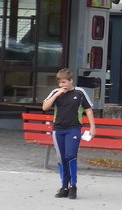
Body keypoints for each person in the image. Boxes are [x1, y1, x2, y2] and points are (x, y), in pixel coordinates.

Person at [41, 68, 97, 200]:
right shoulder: (56, 92)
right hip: (58, 129)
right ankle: (64, 186)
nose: (62, 85)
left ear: (71, 81)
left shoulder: (80, 92)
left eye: (64, 82)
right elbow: (45, 107)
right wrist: (57, 94)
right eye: (60, 83)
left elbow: (88, 110)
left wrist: (92, 127)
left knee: (70, 156)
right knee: (61, 158)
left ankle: (73, 186)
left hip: (73, 129)